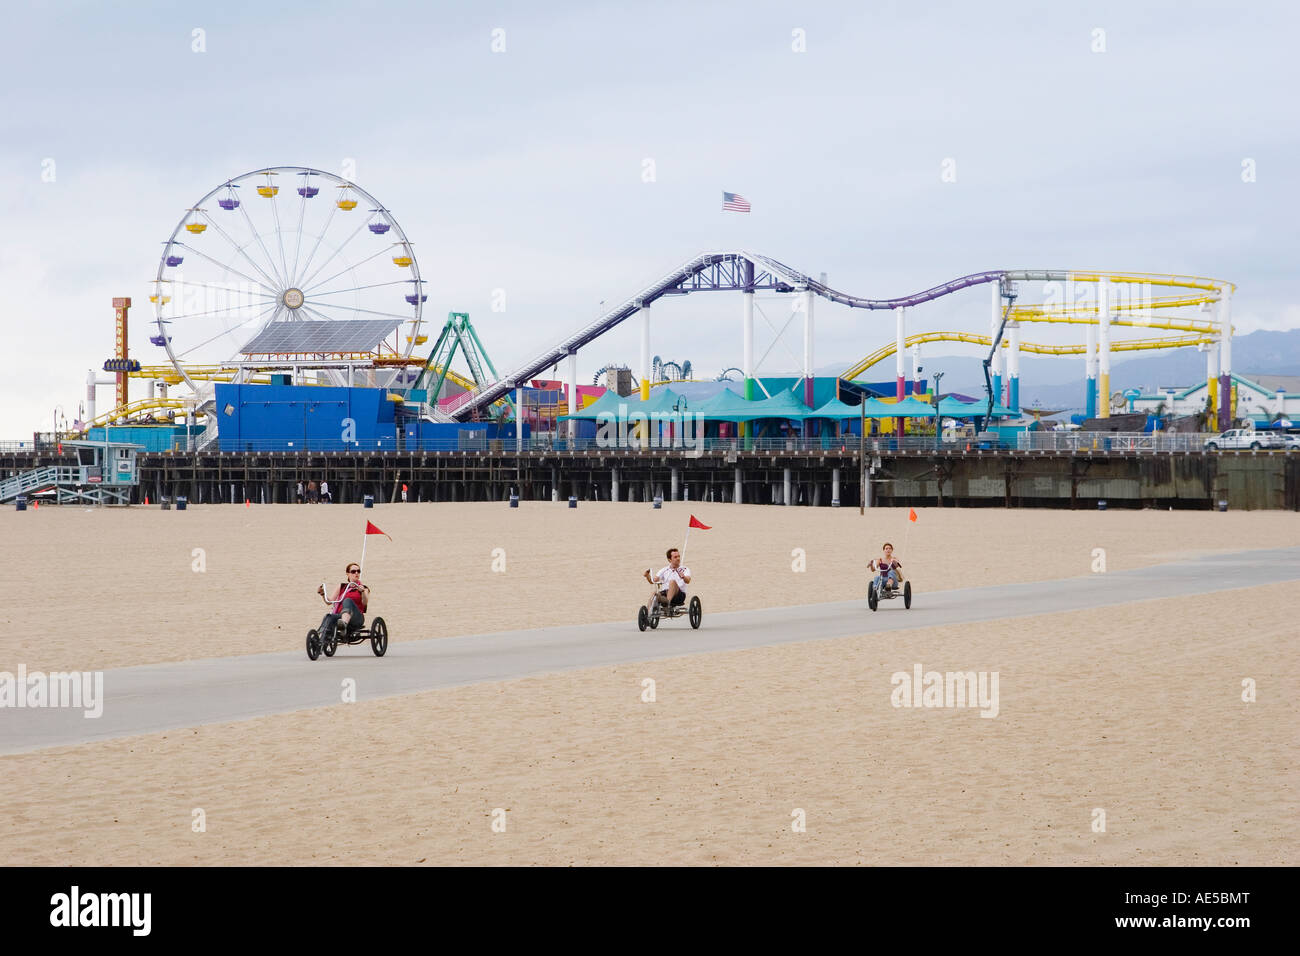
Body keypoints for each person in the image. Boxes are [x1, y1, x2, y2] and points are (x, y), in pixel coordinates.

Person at [316, 562, 370, 636]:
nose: (356, 573)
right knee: (329, 617)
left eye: (358, 571)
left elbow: (364, 602)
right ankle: (320, 638)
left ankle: (343, 625)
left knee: (347, 600)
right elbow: (329, 602)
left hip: (357, 618)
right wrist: (322, 593)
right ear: (348, 574)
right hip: (341, 616)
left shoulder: (363, 588)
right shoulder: (342, 586)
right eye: (353, 571)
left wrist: (363, 592)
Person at [644, 547, 691, 612]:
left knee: (672, 582)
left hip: (679, 595)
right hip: (665, 594)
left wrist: (683, 577)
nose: (678, 558)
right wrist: (647, 576)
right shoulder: (664, 570)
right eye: (675, 557)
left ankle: (667, 605)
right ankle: (647, 613)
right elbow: (653, 581)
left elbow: (688, 580)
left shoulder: (685, 569)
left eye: (678, 556)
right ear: (669, 560)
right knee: (654, 594)